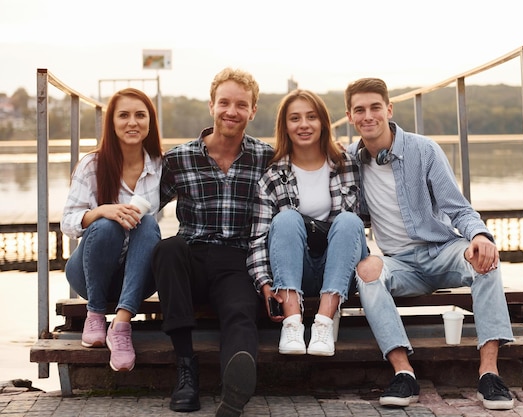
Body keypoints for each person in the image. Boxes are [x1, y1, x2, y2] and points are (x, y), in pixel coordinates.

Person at [344, 78, 516, 410]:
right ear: (350, 117)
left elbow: (458, 208)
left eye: (375, 107)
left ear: (389, 109)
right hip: (399, 263)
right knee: (368, 274)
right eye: (360, 110)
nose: (368, 116)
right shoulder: (348, 161)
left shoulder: (424, 150)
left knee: (485, 259)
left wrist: (479, 236)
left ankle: (489, 374)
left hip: (443, 251)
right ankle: (403, 373)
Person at [151, 68, 274, 415]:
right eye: (224, 102)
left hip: (237, 260)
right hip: (190, 258)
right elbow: (144, 205)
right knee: (166, 248)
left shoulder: (266, 158)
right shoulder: (179, 158)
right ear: (211, 106)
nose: (231, 111)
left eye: (241, 104)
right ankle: (186, 371)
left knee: (240, 311)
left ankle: (235, 386)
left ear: (252, 111)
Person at [248, 89, 368, 357]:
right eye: (295, 118)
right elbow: (258, 238)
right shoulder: (273, 175)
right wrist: (265, 284)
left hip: (338, 270)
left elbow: (353, 233)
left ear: (323, 122)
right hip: (291, 271)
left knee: (349, 221)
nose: (304, 124)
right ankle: (292, 323)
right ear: (285, 127)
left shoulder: (346, 164)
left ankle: (324, 323)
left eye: (311, 117)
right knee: (287, 218)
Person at [61, 88, 163, 373]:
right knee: (107, 225)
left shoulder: (161, 166)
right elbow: (67, 222)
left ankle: (120, 326)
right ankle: (95, 315)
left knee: (149, 224)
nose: (133, 122)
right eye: (124, 115)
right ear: (112, 122)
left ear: (150, 122)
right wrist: (102, 211)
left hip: (136, 278)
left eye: (140, 115)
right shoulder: (92, 165)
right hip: (90, 275)